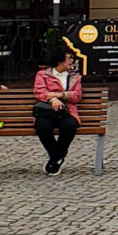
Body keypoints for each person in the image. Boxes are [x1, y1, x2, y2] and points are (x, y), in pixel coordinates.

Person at [33, 45, 84, 174]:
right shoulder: (43, 75)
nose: (71, 61)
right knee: (42, 127)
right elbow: (39, 92)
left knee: (69, 126)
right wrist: (52, 99)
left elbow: (77, 95)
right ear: (60, 60)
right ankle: (56, 157)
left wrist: (60, 95)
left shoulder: (75, 77)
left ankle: (55, 159)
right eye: (68, 58)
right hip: (47, 111)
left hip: (67, 111)